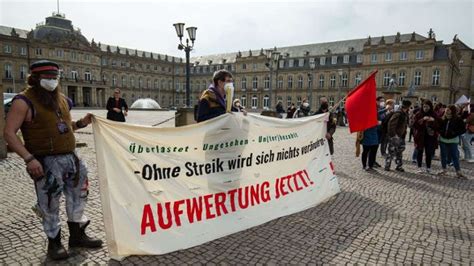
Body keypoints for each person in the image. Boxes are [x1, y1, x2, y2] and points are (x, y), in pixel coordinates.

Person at [3, 60, 102, 260]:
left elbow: (64, 126)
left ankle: (77, 235)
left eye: (55, 77)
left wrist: (81, 123)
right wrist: (29, 159)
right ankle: (54, 243)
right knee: (49, 202)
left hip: (71, 157)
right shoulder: (23, 101)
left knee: (79, 196)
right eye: (47, 77)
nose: (52, 81)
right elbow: (9, 134)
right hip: (45, 161)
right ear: (36, 78)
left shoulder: (62, 99)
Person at [438, 105, 466, 178]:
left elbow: (463, 129)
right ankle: (444, 169)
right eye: (446, 109)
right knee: (443, 155)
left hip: (453, 140)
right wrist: (441, 132)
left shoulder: (458, 119)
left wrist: (455, 133)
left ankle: (458, 171)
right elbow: (439, 127)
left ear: (452, 111)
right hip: (443, 139)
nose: (446, 110)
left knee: (455, 156)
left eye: (448, 109)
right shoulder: (443, 118)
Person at [413, 100, 440, 174]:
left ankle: (428, 167)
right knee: (419, 151)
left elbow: (438, 125)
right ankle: (419, 167)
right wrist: (422, 119)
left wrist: (433, 120)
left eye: (427, 106)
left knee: (429, 152)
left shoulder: (434, 114)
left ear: (430, 107)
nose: (425, 108)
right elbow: (414, 125)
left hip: (430, 136)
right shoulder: (419, 114)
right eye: (424, 106)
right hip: (420, 136)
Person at [384, 100, 412, 172]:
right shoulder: (398, 113)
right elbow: (391, 124)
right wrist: (393, 135)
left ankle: (399, 166)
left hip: (401, 136)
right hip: (395, 136)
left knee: (400, 150)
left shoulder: (404, 113)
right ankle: (387, 165)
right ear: (407, 107)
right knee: (391, 151)